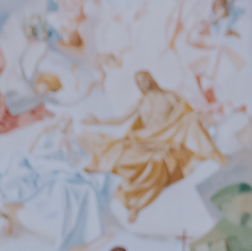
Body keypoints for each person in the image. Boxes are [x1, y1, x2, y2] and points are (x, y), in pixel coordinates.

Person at [81, 69, 222, 220]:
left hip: (166, 139)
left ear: (150, 79)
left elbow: (187, 115)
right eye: (139, 81)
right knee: (120, 150)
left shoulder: (169, 96)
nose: (143, 83)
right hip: (144, 139)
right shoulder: (142, 101)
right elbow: (121, 119)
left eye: (144, 79)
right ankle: (103, 167)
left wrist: (200, 118)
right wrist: (99, 121)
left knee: (152, 163)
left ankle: (136, 205)